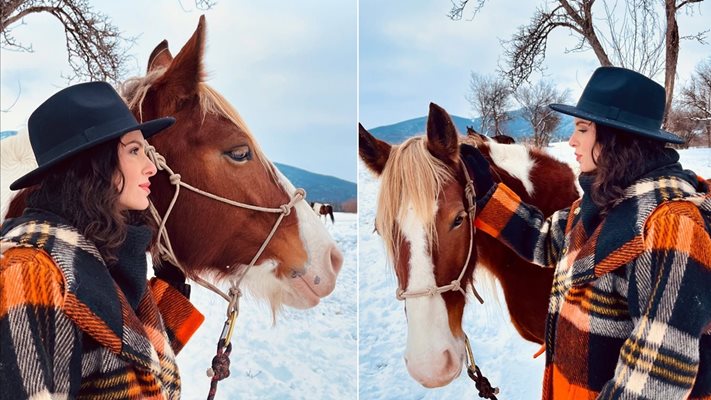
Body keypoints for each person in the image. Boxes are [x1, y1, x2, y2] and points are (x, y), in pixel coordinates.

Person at [461, 67, 711, 399]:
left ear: (616, 138)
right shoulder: (604, 203)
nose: (572, 140)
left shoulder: (672, 224)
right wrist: (489, 193)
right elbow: (546, 240)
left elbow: (656, 378)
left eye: (582, 129)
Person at [0, 82, 204, 399]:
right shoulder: (30, 271)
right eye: (134, 151)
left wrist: (172, 295)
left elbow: (122, 364)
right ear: (93, 163)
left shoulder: (109, 251)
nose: (151, 167)